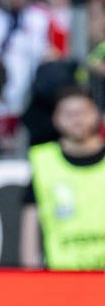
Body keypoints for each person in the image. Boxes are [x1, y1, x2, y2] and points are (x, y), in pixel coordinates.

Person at [21, 89, 105, 271]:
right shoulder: (43, 162)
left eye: (82, 112)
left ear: (97, 113)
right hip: (62, 279)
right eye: (68, 113)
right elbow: (31, 222)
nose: (76, 119)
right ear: (55, 118)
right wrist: (30, 274)